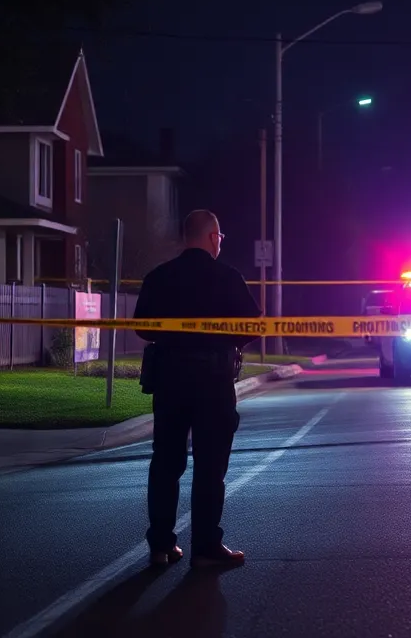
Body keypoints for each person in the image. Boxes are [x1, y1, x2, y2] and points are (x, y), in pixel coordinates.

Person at [133, 209, 261, 569]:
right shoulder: (228, 277)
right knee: (210, 465)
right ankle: (205, 548)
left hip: (170, 380)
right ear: (211, 237)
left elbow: (143, 327)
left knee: (165, 463)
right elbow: (254, 325)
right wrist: (225, 341)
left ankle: (160, 546)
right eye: (220, 237)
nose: (220, 243)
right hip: (213, 381)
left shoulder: (159, 277)